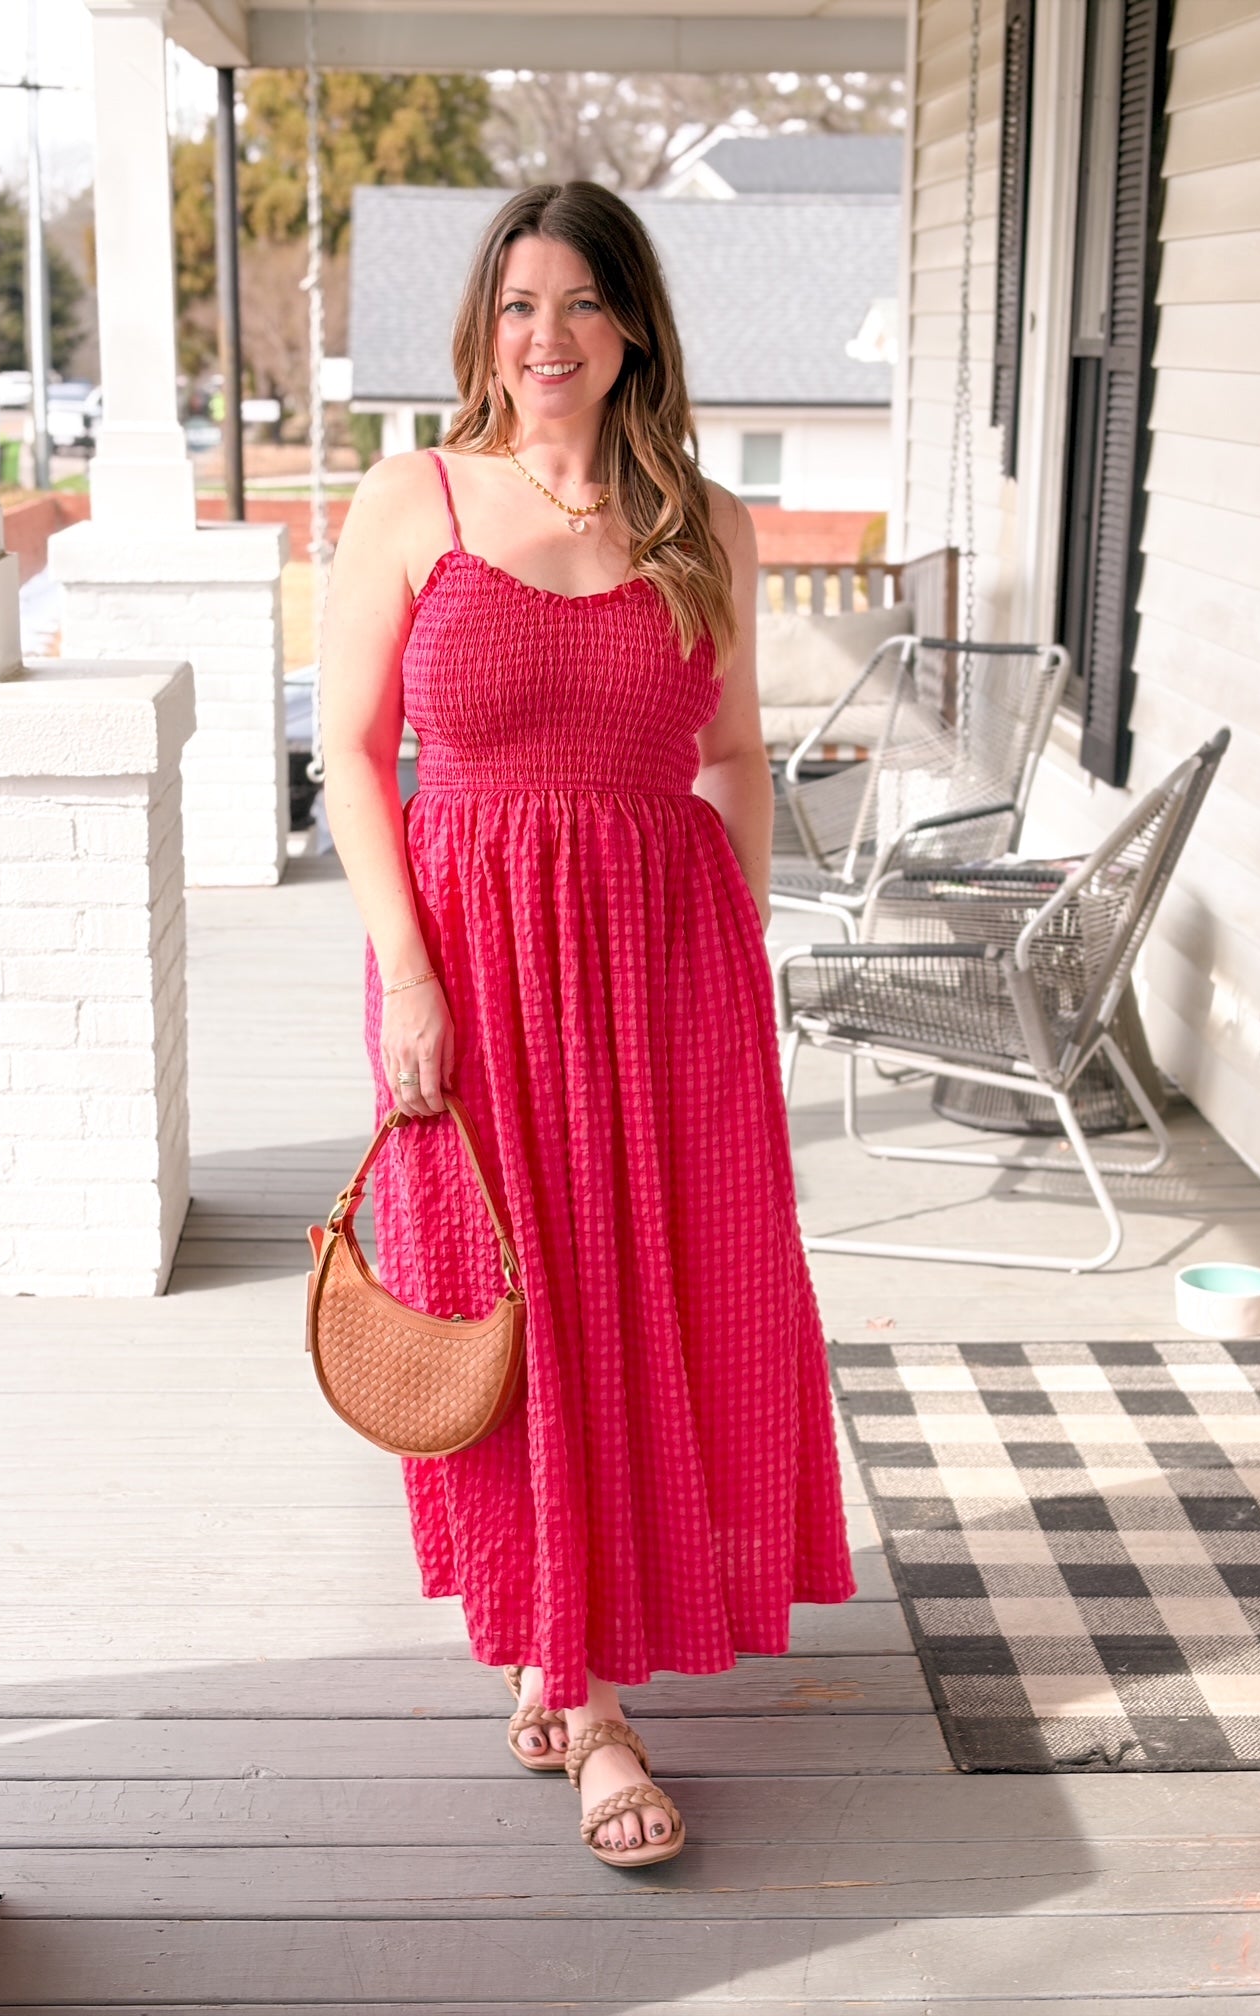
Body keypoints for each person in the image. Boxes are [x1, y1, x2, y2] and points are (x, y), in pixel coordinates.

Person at [319, 181, 854, 1871]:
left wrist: (737, 946)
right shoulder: (412, 500)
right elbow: (351, 755)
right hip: (472, 957)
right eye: (516, 302)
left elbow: (738, 757)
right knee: (515, 1313)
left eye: (578, 305)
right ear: (486, 324)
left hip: (665, 967)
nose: (542, 338)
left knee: (655, 1309)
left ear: (632, 330)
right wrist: (408, 972)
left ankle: (587, 1680)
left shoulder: (701, 518)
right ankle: (577, 1669)